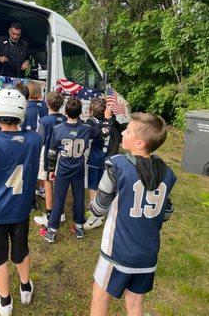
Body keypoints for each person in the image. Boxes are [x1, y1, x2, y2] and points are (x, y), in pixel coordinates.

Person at [89, 113, 177, 316]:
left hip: (117, 251)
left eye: (127, 130)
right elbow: (167, 211)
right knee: (136, 303)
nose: (122, 132)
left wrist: (93, 209)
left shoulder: (117, 165)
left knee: (100, 295)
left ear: (139, 143)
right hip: (147, 253)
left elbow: (99, 207)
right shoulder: (167, 172)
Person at [0, 89, 42, 316]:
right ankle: (25, 288)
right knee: (21, 249)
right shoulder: (34, 139)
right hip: (20, 208)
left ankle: (5, 301)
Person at [39, 97, 111, 243]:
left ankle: (52, 230)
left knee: (59, 199)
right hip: (78, 168)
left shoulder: (58, 129)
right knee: (79, 198)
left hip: (64, 170)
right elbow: (104, 132)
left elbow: (52, 152)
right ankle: (79, 227)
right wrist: (107, 119)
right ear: (80, 113)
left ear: (65, 111)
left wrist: (51, 169)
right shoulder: (86, 128)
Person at [84, 98, 124, 230]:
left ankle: (95, 216)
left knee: (93, 187)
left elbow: (89, 133)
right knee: (106, 187)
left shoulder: (92, 122)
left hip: (96, 159)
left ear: (92, 111)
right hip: (108, 158)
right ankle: (103, 212)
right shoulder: (110, 121)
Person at [33, 91, 67, 227]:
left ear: (47, 104)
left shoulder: (45, 120)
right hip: (62, 154)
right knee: (58, 183)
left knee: (48, 182)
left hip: (48, 155)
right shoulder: (65, 119)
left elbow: (40, 140)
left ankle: (49, 214)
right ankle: (61, 212)